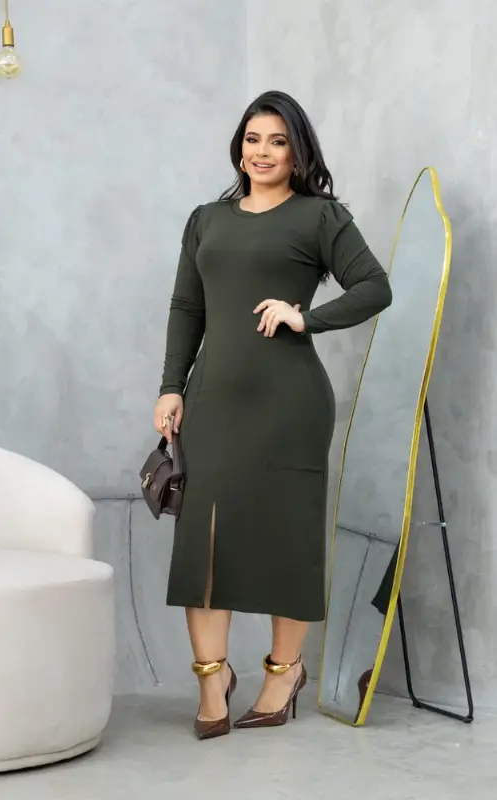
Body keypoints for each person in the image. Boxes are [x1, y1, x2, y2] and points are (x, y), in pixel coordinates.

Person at [153, 90, 392, 740]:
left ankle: (284, 675)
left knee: (288, 541)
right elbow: (187, 307)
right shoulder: (207, 219)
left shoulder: (320, 216)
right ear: (239, 148)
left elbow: (375, 286)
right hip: (212, 402)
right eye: (252, 139)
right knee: (204, 546)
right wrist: (171, 386)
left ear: (297, 152)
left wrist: (304, 317)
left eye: (278, 141)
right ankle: (212, 682)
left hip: (290, 405)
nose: (262, 152)